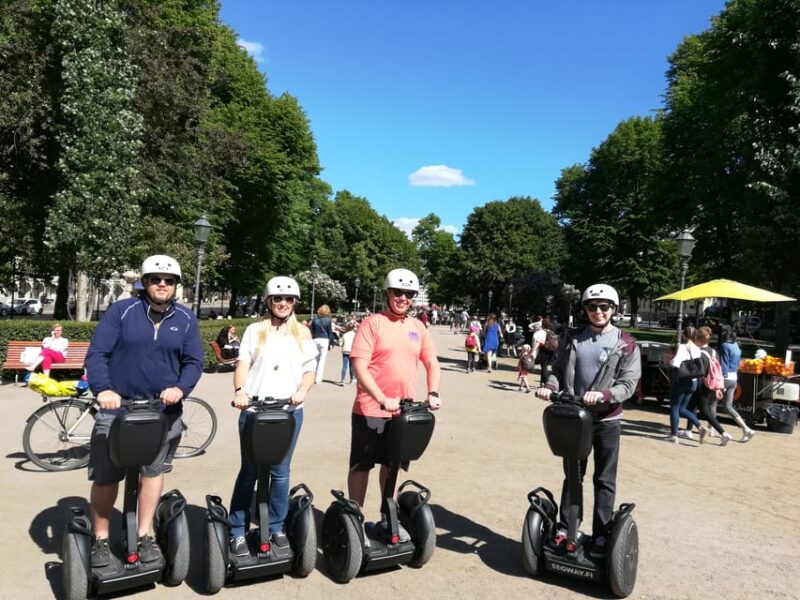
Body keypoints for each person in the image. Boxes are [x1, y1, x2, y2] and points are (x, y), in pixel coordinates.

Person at [84, 255, 204, 567]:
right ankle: (100, 537)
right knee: (107, 475)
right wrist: (104, 389)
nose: (162, 285)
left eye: (168, 281)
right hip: (118, 409)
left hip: (161, 412)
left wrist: (180, 388)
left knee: (153, 473)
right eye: (155, 279)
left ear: (176, 285)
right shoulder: (121, 312)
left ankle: (146, 532)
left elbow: (193, 362)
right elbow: (97, 353)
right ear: (145, 282)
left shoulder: (187, 319)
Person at [535, 283, 641, 559]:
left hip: (607, 419)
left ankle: (602, 535)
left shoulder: (625, 343)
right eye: (592, 307)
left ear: (614, 310)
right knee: (573, 475)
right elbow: (557, 370)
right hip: (575, 417)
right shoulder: (573, 338)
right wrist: (549, 384)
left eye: (604, 307)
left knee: (604, 479)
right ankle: (569, 529)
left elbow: (628, 384)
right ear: (585, 309)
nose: (598, 312)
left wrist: (605, 395)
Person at [347, 268, 441, 543]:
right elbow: (359, 366)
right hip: (370, 409)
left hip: (404, 412)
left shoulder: (417, 327)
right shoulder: (372, 323)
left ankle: (389, 516)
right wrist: (379, 396)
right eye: (398, 292)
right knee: (362, 466)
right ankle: (357, 518)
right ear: (387, 293)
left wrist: (433, 391)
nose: (403, 298)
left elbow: (432, 362)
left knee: (394, 466)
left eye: (408, 294)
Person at [227, 276, 316, 556]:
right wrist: (241, 390)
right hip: (254, 411)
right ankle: (237, 530)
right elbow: (243, 365)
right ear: (268, 301)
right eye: (278, 298)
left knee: (280, 473)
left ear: (295, 303)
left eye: (289, 299)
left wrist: (303, 390)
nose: (283, 303)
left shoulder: (303, 332)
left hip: (289, 412)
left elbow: (309, 371)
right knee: (249, 471)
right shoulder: (255, 330)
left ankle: (276, 526)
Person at [668, 325, 710, 444]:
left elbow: (676, 363)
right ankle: (700, 427)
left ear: (684, 335)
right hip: (693, 382)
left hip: (682, 381)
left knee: (675, 406)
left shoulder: (682, 347)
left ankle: (674, 435)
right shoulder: (697, 348)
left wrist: (670, 362)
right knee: (682, 408)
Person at [689, 326, 731, 445]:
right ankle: (689, 430)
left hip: (700, 384)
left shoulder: (699, 353)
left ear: (698, 339)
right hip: (711, 384)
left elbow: (697, 371)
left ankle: (723, 433)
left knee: (703, 411)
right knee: (692, 407)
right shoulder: (713, 352)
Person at [718, 325, 756, 442]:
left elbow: (724, 364)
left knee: (712, 402)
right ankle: (746, 429)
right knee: (727, 406)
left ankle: (713, 428)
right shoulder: (736, 345)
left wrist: (720, 380)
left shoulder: (724, 346)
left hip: (726, 377)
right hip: (734, 377)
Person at [309, 305, 333, 384]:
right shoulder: (328, 321)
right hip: (324, 340)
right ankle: (318, 379)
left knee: (315, 359)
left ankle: (311, 377)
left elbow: (312, 331)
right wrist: (332, 343)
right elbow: (330, 333)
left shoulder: (314, 320)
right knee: (322, 360)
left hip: (315, 339)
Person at [339, 321, 357, 386]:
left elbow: (340, 344)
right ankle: (352, 379)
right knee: (351, 366)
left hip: (345, 350)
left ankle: (342, 380)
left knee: (344, 366)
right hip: (352, 351)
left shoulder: (344, 335)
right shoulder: (355, 335)